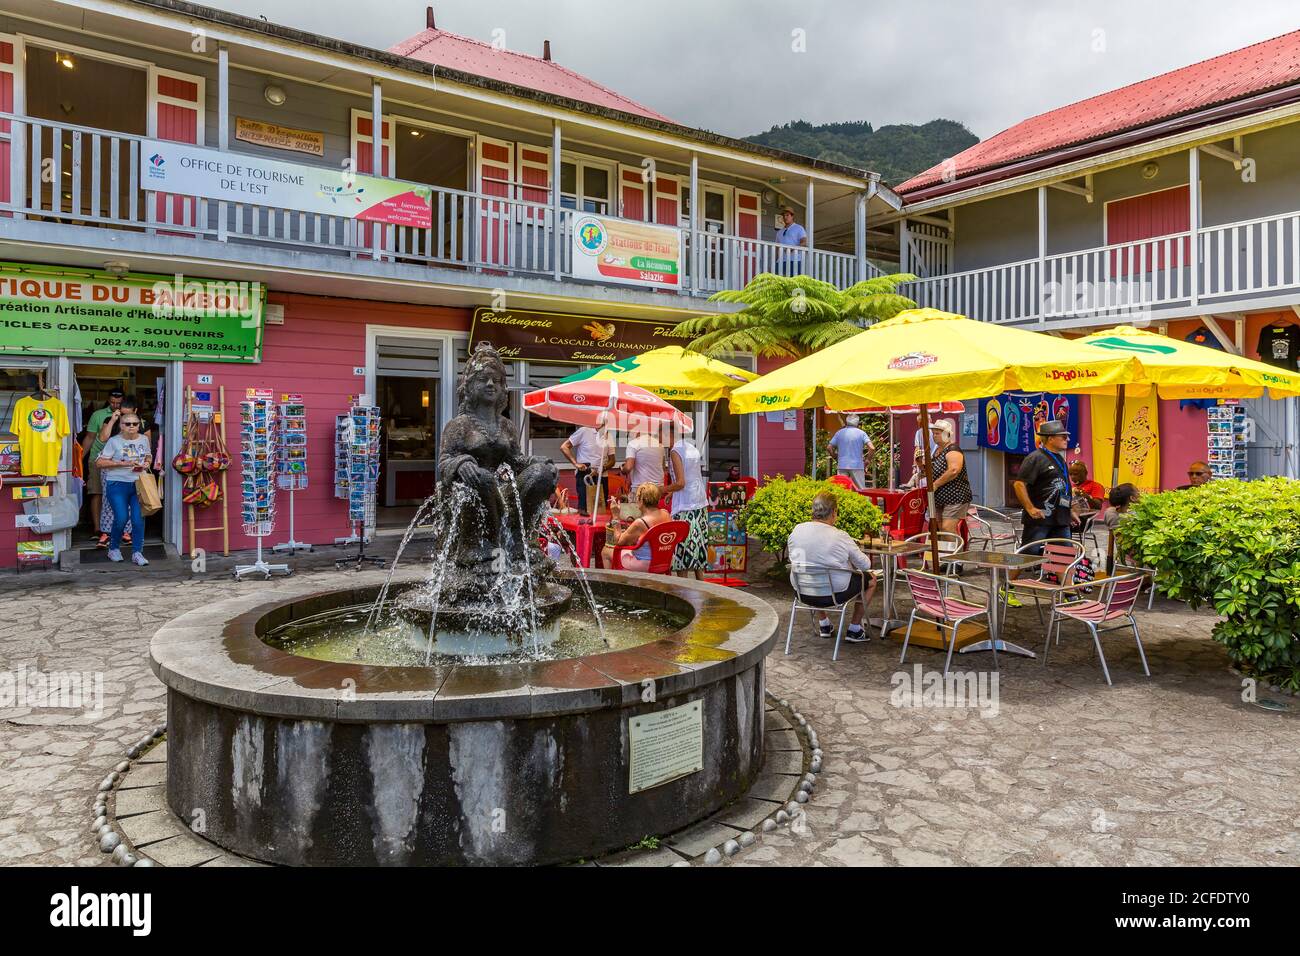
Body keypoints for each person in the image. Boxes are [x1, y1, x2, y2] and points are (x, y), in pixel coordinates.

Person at [787, 491, 878, 643]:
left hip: (802, 591)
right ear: (834, 512)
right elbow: (865, 565)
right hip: (835, 593)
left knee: (810, 574)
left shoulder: (797, 530)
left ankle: (824, 624)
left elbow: (798, 559)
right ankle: (854, 629)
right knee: (872, 579)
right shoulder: (840, 535)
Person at [95, 411, 152, 565]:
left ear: (139, 426)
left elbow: (148, 456)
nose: (132, 426)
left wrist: (147, 463)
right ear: (121, 425)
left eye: (135, 424)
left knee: (138, 520)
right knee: (121, 518)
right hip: (117, 483)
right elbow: (99, 463)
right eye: (128, 424)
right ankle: (113, 549)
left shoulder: (144, 440)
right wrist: (121, 463)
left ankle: (137, 553)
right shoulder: (114, 441)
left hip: (138, 484)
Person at [1013, 419, 1078, 552]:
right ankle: (1011, 573)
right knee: (1028, 554)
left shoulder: (1059, 458)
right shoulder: (1035, 458)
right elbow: (1019, 484)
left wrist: (1069, 511)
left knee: (1063, 556)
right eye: (1063, 436)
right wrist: (1030, 508)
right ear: (1050, 438)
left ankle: (1064, 574)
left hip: (1061, 518)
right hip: (1040, 518)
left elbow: (1062, 488)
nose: (1067, 439)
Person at [660, 423, 709, 578]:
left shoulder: (675, 451)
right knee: (698, 546)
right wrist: (671, 493)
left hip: (685, 506)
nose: (660, 440)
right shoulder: (690, 447)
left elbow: (681, 483)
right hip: (699, 502)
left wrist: (661, 490)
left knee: (683, 550)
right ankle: (701, 584)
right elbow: (690, 475)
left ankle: (684, 590)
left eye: (661, 435)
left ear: (669, 434)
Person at [94, 396, 142, 548]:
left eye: (128, 415)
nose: (125, 418)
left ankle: (125, 532)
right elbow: (102, 438)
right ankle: (107, 533)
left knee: (129, 502)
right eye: (122, 414)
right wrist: (113, 420)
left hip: (132, 468)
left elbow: (146, 448)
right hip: (110, 466)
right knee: (109, 501)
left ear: (135, 412)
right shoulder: (111, 420)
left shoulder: (139, 425)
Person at [82, 388, 124, 543]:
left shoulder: (128, 416)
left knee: (120, 495)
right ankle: (97, 529)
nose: (115, 405)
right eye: (112, 402)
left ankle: (119, 529)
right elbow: (90, 437)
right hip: (98, 459)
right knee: (97, 493)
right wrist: (79, 459)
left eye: (118, 403)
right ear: (108, 400)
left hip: (120, 462)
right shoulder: (98, 415)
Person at [602, 482, 671, 571]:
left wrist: (615, 516)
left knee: (606, 551)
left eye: (637, 498)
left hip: (645, 564)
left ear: (641, 501)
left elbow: (618, 541)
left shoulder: (641, 523)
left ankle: (612, 583)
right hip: (664, 561)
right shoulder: (666, 513)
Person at [560, 415, 615, 515]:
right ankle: (584, 528)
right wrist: (576, 463)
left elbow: (612, 460)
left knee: (600, 509)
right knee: (584, 509)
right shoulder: (584, 431)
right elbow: (564, 447)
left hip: (602, 476)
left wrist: (603, 468)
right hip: (585, 474)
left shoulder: (609, 436)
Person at [927, 419, 972, 534]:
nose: (934, 436)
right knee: (939, 529)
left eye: (937, 433)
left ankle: (957, 552)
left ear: (946, 434)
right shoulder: (936, 450)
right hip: (939, 498)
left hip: (955, 497)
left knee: (947, 528)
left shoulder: (953, 449)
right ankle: (946, 552)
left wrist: (936, 484)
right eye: (933, 433)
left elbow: (954, 470)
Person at [1103, 483, 1140, 574]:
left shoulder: (1109, 513)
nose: (1140, 494)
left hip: (1122, 560)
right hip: (1141, 562)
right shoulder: (1138, 516)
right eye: (1137, 492)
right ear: (1132, 498)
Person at [829, 414, 873, 488]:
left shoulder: (839, 433)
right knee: (860, 490)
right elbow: (872, 448)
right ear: (858, 423)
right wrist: (868, 460)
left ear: (846, 422)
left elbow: (829, 447)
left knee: (841, 489)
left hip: (842, 465)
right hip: (857, 466)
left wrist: (835, 456)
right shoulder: (861, 433)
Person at [621, 426, 665, 493]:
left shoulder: (633, 443)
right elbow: (663, 467)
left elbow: (628, 467)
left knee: (637, 503)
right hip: (658, 487)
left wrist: (622, 469)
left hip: (641, 487)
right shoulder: (660, 445)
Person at [775, 206, 807, 275]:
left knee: (794, 284)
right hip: (781, 262)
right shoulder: (779, 232)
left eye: (787, 215)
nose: (785, 217)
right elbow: (777, 248)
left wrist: (793, 248)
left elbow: (804, 242)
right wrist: (775, 261)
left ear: (792, 216)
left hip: (794, 260)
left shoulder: (799, 228)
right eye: (783, 215)